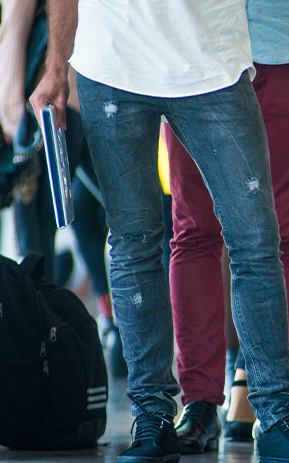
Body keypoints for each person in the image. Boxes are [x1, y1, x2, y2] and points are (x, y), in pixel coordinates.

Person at [29, 1, 289, 462]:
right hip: (113, 62)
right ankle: (153, 416)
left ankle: (277, 414)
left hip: (213, 64)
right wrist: (55, 64)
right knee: (134, 243)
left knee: (257, 241)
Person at [161, 0, 289, 452]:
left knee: (287, 235)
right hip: (193, 57)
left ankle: (277, 409)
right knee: (194, 231)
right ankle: (199, 403)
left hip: (284, 54)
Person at [0, 0, 126, 377]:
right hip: (103, 97)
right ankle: (120, 338)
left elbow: (15, 27)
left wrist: (10, 112)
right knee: (121, 223)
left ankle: (40, 364)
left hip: (48, 103)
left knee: (36, 246)